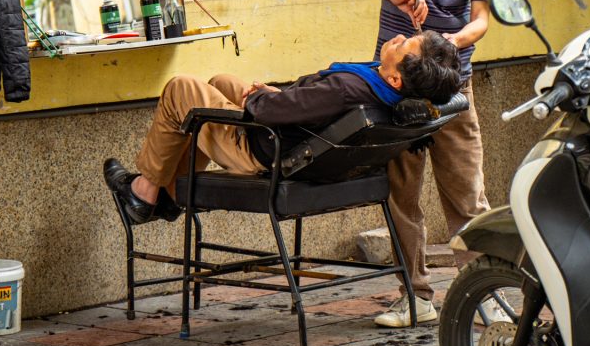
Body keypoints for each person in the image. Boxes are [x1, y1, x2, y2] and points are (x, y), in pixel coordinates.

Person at [337, 0, 500, 327]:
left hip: (452, 87)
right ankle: (415, 297)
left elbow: (481, 19)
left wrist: (453, 41)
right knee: (401, 196)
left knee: (467, 197)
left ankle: (482, 296)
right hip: (394, 88)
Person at [104, 30, 462, 225]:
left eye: (403, 44)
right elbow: (317, 108)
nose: (397, 38)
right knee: (222, 82)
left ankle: (143, 194)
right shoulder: (390, 96)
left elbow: (271, 113)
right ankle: (171, 194)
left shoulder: (349, 89)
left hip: (266, 150)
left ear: (397, 78)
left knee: (181, 89)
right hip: (308, 147)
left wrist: (261, 100)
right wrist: (280, 96)